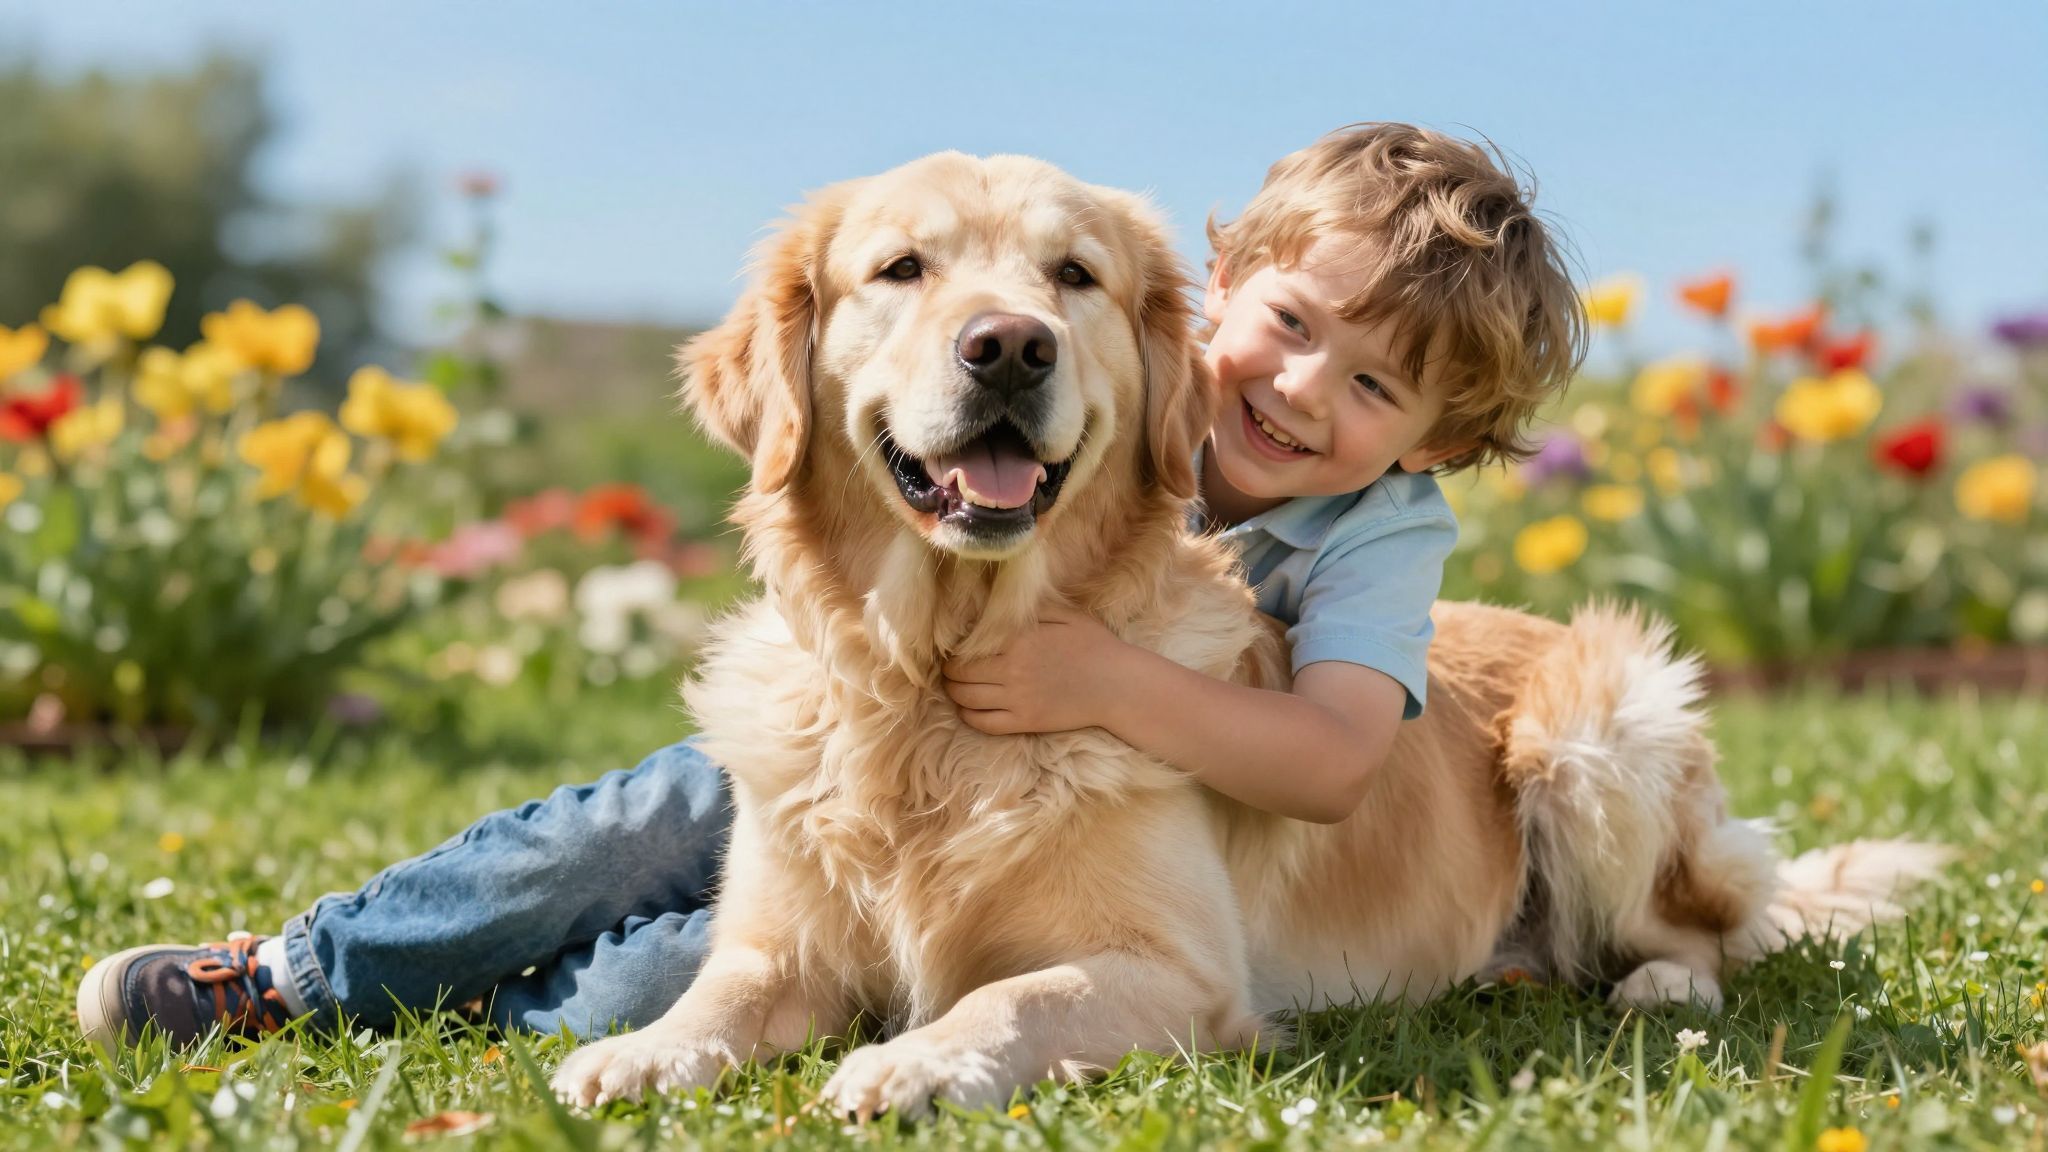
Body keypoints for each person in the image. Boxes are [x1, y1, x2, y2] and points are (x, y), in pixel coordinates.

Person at [77, 122, 1585, 1050]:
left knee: (651, 992)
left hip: (1120, 723)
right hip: (862, 690)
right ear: (1221, 321)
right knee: (636, 821)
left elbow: (1329, 760)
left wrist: (1108, 679)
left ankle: (475, 1009)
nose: (1006, 331)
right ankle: (296, 971)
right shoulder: (1179, 410)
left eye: (1066, 286)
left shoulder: (1362, 536)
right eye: (909, 274)